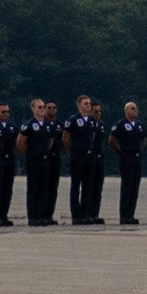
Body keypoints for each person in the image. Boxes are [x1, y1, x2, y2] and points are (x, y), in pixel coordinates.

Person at [18, 99, 58, 226]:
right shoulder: (28, 125)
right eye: (39, 107)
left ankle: (42, 215)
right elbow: (20, 142)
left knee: (44, 188)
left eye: (43, 107)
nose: (42, 109)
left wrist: (45, 151)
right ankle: (33, 216)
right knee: (33, 188)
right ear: (33, 109)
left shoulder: (48, 125)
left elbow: (51, 140)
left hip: (45, 160)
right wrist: (29, 153)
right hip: (33, 161)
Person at [110, 101, 146, 225]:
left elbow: (143, 139)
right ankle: (124, 215)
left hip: (137, 158)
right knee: (127, 186)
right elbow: (112, 140)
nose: (135, 110)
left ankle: (131, 214)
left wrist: (139, 149)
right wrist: (121, 151)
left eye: (136, 108)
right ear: (126, 111)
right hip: (126, 158)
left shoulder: (140, 125)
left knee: (135, 187)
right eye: (132, 108)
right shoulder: (121, 124)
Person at [64, 95, 99, 225]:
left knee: (88, 186)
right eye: (85, 103)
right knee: (75, 186)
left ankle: (85, 213)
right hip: (78, 156)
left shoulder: (92, 120)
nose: (88, 105)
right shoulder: (73, 120)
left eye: (89, 103)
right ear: (79, 105)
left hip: (89, 156)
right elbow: (66, 138)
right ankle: (76, 214)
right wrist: (74, 150)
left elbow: (93, 136)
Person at [87, 101, 108, 224]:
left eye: (100, 111)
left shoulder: (102, 125)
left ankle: (95, 213)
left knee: (98, 188)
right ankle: (87, 213)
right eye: (96, 111)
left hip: (100, 157)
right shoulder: (88, 125)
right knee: (89, 187)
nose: (99, 113)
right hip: (90, 157)